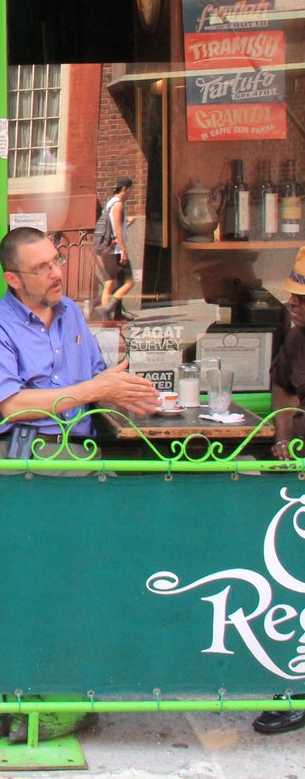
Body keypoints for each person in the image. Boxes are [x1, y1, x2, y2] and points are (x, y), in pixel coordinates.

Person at [0, 227, 159, 456]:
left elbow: (97, 376)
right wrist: (94, 389)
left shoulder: (70, 312)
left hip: (81, 449)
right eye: (41, 268)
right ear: (13, 280)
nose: (56, 273)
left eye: (56, 260)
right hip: (22, 452)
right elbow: (13, 406)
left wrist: (128, 390)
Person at [250, 246, 305, 735]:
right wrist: (282, 435)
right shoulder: (297, 338)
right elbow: (283, 386)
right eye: (295, 298)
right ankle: (293, 688)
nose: (296, 307)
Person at [96, 177, 136, 321]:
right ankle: (108, 308)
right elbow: (117, 229)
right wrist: (124, 251)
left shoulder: (109, 204)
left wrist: (127, 223)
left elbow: (113, 227)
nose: (131, 193)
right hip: (116, 250)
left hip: (107, 248)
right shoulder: (118, 204)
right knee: (129, 282)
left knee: (111, 282)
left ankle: (108, 316)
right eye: (130, 190)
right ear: (124, 188)